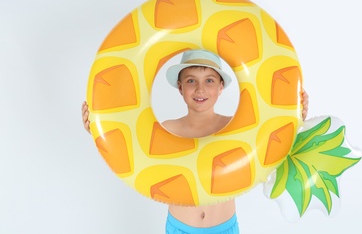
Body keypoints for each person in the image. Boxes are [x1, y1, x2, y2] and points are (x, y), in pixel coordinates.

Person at [81, 49, 309, 234]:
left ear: (221, 87)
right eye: (191, 80)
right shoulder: (168, 130)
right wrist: (101, 129)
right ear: (180, 88)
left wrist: (295, 118)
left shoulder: (238, 128)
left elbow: (273, 146)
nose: (200, 89)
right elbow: (128, 148)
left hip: (224, 228)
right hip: (181, 228)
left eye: (209, 80)